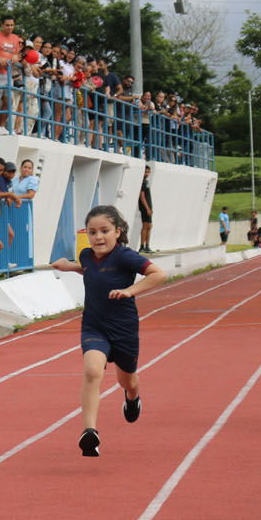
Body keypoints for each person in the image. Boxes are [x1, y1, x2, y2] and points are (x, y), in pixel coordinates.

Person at [50, 205, 166, 457]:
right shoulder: (86, 255)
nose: (98, 237)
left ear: (117, 232)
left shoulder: (126, 256)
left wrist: (129, 291)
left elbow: (159, 274)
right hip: (94, 325)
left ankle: (133, 397)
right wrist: (68, 266)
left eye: (104, 231)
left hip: (123, 328)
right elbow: (89, 269)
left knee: (127, 380)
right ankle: (89, 432)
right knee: (92, 370)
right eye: (92, 232)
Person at [137, 165, 153, 253]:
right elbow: (142, 196)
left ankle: (147, 246)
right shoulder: (142, 182)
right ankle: (142, 246)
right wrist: (147, 208)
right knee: (146, 226)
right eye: (145, 171)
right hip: (145, 207)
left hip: (148, 206)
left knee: (149, 226)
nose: (147, 173)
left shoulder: (146, 181)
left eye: (148, 172)